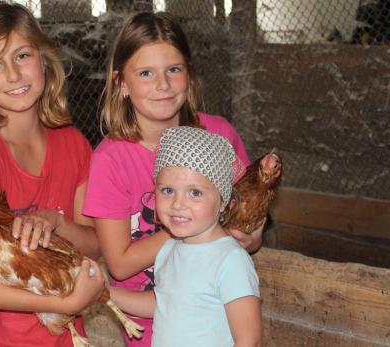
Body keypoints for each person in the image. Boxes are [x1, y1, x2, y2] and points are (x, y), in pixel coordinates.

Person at [83, 11, 264, 346]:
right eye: (146, 72)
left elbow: (249, 208)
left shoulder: (219, 136)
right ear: (122, 82)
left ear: (190, 75)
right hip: (151, 328)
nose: (163, 85)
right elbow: (120, 264)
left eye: (174, 70)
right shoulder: (111, 160)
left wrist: (251, 232)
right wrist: (193, 226)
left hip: (219, 321)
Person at [0, 2, 104, 346]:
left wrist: (58, 223)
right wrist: (67, 302)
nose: (14, 75)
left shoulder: (73, 145)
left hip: (59, 337)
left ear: (43, 59)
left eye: (22, 56)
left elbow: (97, 243)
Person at [110, 126, 262, 347]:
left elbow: (249, 341)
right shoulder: (168, 250)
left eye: (195, 193)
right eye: (167, 191)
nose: (178, 204)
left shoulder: (230, 260)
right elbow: (163, 304)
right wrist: (105, 293)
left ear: (224, 203)